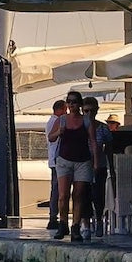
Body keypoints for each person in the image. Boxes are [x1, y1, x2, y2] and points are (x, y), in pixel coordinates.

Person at [47, 91, 98, 242]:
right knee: (63, 195)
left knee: (79, 194)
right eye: (69, 102)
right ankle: (63, 224)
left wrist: (95, 162)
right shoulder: (62, 120)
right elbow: (50, 137)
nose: (71, 104)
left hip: (83, 161)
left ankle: (76, 226)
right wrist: (58, 132)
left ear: (79, 104)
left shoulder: (86, 121)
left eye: (74, 102)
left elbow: (93, 141)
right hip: (64, 160)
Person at [82, 97, 112, 238]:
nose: (89, 114)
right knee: (83, 195)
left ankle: (99, 220)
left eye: (92, 111)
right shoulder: (79, 127)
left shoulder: (103, 128)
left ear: (97, 111)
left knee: (98, 195)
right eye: (86, 111)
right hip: (82, 165)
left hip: (99, 165)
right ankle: (85, 223)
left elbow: (110, 146)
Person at [45, 100, 66, 230]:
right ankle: (53, 217)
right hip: (56, 160)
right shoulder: (55, 122)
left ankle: (54, 217)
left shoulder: (51, 121)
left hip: (55, 159)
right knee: (57, 189)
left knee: (56, 189)